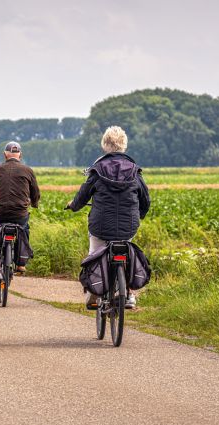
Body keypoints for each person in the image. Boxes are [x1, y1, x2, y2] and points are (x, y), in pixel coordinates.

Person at [67, 126, 150, 309]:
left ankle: (94, 293)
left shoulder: (97, 170)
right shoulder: (135, 171)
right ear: (124, 145)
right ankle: (129, 294)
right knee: (126, 251)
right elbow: (145, 200)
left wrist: (73, 206)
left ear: (105, 144)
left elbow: (82, 196)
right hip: (128, 225)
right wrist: (139, 215)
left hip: (100, 226)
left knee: (94, 254)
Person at [0, 141, 40, 273]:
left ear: (5, 154)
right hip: (19, 215)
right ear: (20, 154)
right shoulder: (28, 170)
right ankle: (21, 263)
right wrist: (34, 204)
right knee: (24, 229)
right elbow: (35, 193)